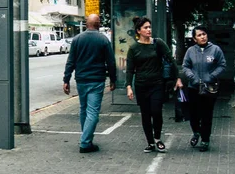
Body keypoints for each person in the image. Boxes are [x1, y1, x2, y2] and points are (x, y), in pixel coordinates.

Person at [126, 17, 183, 153]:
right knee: (145, 114)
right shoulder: (134, 48)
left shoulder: (158, 43)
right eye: (145, 28)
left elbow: (171, 60)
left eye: (150, 27)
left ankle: (157, 138)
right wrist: (129, 86)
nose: (149, 30)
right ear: (138, 31)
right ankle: (150, 142)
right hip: (141, 85)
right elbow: (130, 69)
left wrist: (177, 78)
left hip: (157, 84)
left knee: (156, 111)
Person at [63, 14, 117, 153]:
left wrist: (66, 79)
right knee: (93, 111)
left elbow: (71, 61)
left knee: (83, 109)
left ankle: (86, 136)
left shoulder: (77, 39)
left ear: (86, 24)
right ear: (98, 24)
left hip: (81, 79)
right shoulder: (103, 40)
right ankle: (85, 142)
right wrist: (113, 79)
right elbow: (110, 62)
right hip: (97, 80)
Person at [182, 25, 226, 152]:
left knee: (207, 114)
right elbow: (185, 66)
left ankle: (205, 140)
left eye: (204, 34)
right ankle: (196, 132)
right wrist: (192, 77)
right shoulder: (190, 51)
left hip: (209, 88)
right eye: (199, 35)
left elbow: (222, 65)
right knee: (194, 114)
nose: (202, 37)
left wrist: (211, 76)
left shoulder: (215, 49)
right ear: (195, 39)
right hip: (194, 87)